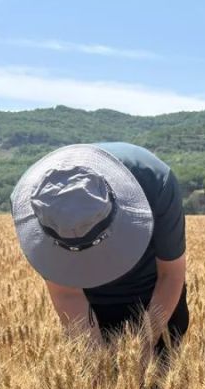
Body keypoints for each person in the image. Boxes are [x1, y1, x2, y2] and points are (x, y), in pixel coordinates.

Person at [10, 142, 188, 362]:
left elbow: (171, 275)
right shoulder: (44, 204)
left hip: (154, 292)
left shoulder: (155, 182)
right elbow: (67, 294)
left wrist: (144, 343)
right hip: (90, 303)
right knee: (95, 375)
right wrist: (97, 363)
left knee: (163, 384)